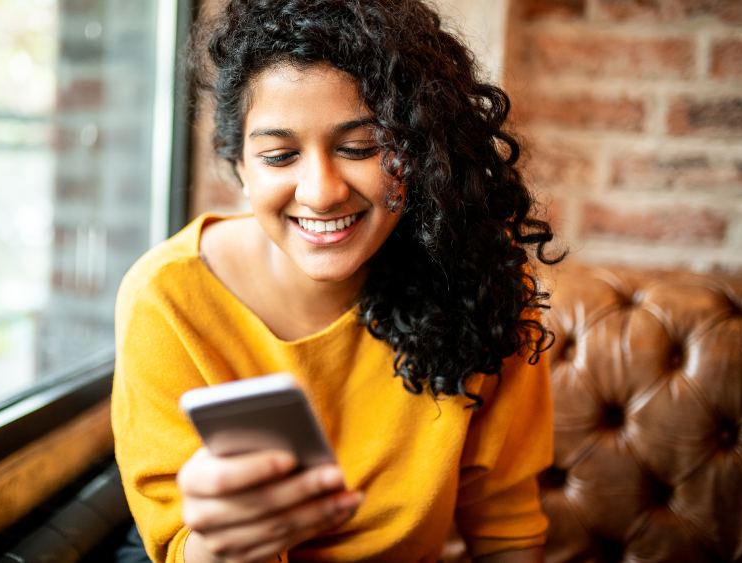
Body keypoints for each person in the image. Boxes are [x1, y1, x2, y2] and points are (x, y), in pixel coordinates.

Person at [112, 1, 563, 562]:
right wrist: (225, 542)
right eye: (279, 156)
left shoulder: (481, 284)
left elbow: (506, 531)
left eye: (361, 148)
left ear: (421, 150)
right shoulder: (168, 299)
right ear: (240, 165)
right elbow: (179, 546)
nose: (321, 192)